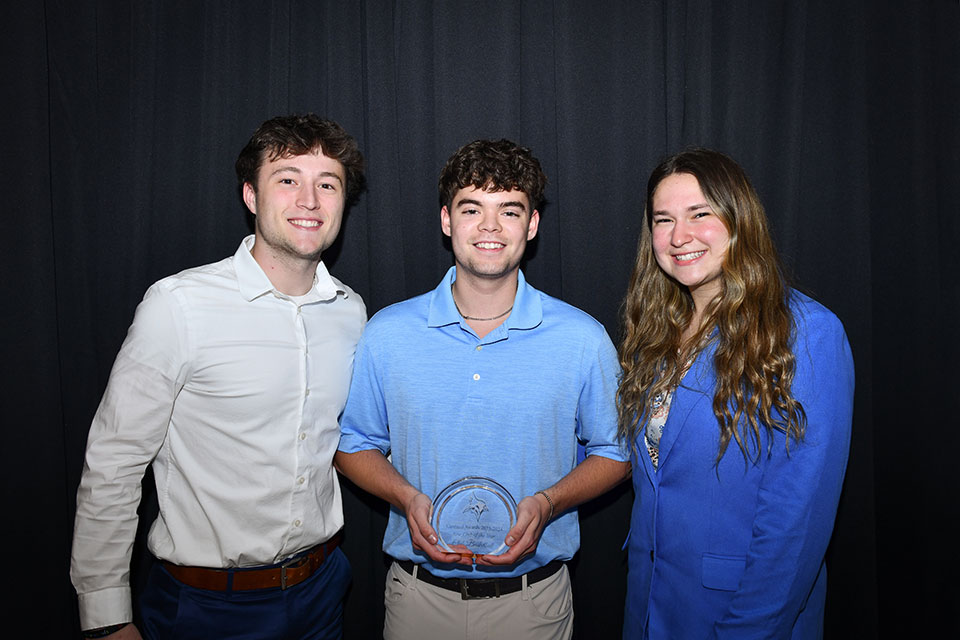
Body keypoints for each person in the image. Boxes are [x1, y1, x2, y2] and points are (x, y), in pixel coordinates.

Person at [70, 114, 367, 640]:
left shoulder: (350, 312)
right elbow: (113, 464)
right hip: (206, 606)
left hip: (323, 591)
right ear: (251, 196)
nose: (309, 200)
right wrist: (106, 619)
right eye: (288, 180)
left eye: (327, 184)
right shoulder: (179, 306)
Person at [335, 138, 630, 640]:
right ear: (447, 220)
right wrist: (405, 498)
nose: (490, 227)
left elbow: (616, 453)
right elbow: (354, 445)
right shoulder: (388, 331)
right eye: (472, 208)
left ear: (531, 225)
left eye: (509, 210)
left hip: (534, 601)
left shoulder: (582, 338)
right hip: (417, 599)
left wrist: (549, 503)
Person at [617, 147, 854, 639]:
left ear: (738, 219)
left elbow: (796, 521)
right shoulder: (656, 333)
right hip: (650, 607)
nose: (679, 236)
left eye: (699, 214)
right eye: (663, 220)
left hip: (742, 616)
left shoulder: (804, 333)